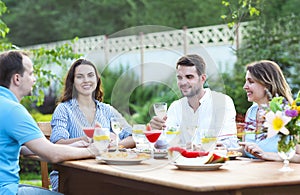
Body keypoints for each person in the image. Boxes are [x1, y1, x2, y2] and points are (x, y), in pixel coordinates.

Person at [0, 50, 98, 195]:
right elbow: (53, 155)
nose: (34, 79)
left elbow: (20, 148)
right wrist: (93, 151)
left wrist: (72, 146)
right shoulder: (13, 110)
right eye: (31, 73)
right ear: (17, 79)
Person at [49, 58, 135, 191]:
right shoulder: (64, 109)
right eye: (80, 77)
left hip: (104, 173)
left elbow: (131, 136)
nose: (86, 80)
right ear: (73, 82)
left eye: (90, 75)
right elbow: (58, 144)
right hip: (71, 176)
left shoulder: (107, 110)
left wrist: (114, 144)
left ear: (97, 79)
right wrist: (85, 140)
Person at [150, 54, 239, 149]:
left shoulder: (222, 102)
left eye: (189, 77)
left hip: (213, 162)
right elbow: (165, 145)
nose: (183, 82)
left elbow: (230, 143)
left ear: (203, 79)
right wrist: (156, 132)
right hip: (182, 162)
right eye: (180, 77)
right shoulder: (176, 107)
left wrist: (204, 147)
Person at [240, 60, 300, 162]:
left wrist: (266, 155)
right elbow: (247, 150)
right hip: (253, 174)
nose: (245, 86)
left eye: (251, 82)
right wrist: (223, 150)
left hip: (280, 175)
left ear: (266, 84)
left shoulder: (287, 113)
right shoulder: (251, 112)